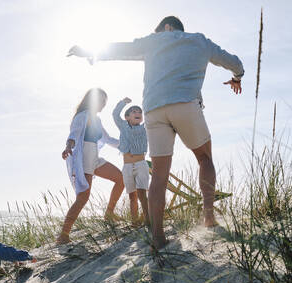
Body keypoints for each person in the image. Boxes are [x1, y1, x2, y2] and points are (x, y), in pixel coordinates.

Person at [68, 16, 244, 249]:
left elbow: (123, 49)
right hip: (186, 105)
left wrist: (90, 52)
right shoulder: (200, 41)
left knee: (159, 175)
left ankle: (158, 236)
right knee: (204, 158)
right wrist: (237, 77)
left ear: (168, 27)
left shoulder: (153, 42)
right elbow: (233, 62)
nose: (155, 33)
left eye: (157, 30)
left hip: (154, 111)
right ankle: (209, 216)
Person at [57, 88, 124, 244]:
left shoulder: (97, 119)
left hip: (94, 157)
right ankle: (63, 235)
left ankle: (109, 213)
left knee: (120, 179)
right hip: (85, 157)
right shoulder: (82, 116)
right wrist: (68, 146)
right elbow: (73, 134)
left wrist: (128, 145)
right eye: (101, 101)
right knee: (83, 197)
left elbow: (108, 139)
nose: (103, 104)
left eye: (104, 102)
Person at [112, 97, 149, 227]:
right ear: (127, 117)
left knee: (142, 193)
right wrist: (123, 103)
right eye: (134, 111)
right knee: (132, 196)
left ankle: (148, 219)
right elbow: (115, 114)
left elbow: (153, 116)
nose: (138, 113)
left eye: (140, 112)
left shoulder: (145, 127)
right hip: (127, 166)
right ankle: (135, 222)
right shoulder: (123, 126)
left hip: (141, 165)